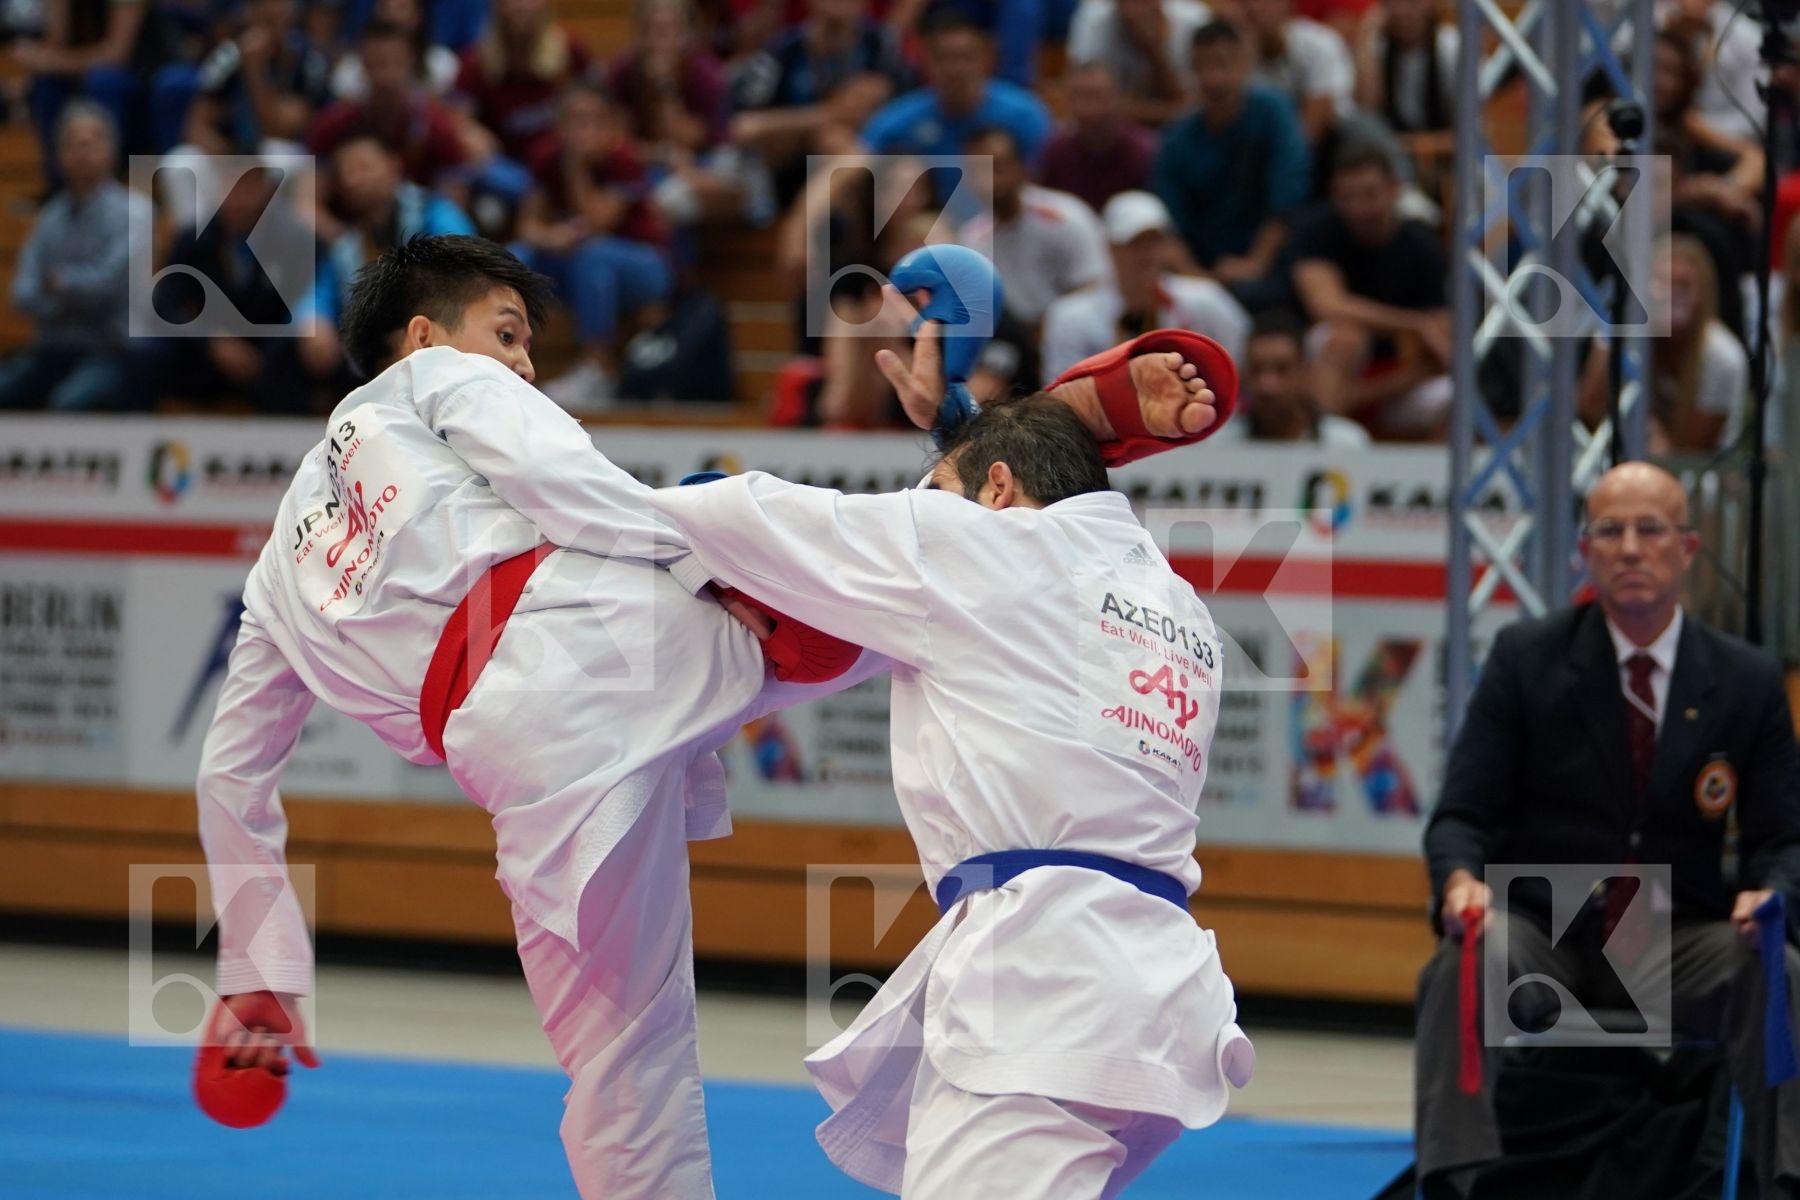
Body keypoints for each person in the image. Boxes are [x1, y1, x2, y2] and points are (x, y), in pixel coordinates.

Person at [194, 233, 1224, 1199]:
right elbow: (578, 489)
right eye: (507, 333)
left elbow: (232, 775)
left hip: (518, 767)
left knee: (621, 1055)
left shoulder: (274, 583)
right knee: (902, 587)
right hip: (598, 637)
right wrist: (700, 547)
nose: (524, 368)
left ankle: (1005, 452)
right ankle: (1021, 447)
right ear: (421, 335)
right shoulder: (429, 377)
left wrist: (259, 968)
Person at [642, 327, 1254, 1200]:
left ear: (996, 491)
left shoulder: (982, 547)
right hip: (1155, 984)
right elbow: (1019, 554)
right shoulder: (1176, 601)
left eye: (934, 491)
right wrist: (968, 430)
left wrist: (565, 503)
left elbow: (741, 510)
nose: (919, 506)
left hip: (1049, 982)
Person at [1417, 461, 1800, 1199]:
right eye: (1610, 531)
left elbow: (1783, 839)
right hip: (1544, 930)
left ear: (1687, 548)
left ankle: (1782, 1181)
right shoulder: (1527, 657)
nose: (1630, 548)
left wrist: (1770, 896)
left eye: (1650, 530)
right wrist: (1460, 882)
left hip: (1670, 936)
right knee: (1469, 953)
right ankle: (1451, 1183)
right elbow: (1462, 814)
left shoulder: (1747, 680)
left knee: (1776, 969)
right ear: (1585, 550)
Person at [512, 82, 677, 410]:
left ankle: (597, 368)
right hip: (572, 255)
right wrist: (551, 238)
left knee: (592, 256)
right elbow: (527, 224)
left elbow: (596, 221)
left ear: (609, 126)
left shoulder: (624, 159)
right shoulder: (546, 156)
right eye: (572, 120)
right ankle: (503, 358)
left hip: (645, 263)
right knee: (512, 258)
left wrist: (575, 165)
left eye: (589, 121)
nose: (580, 130)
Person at [1290, 140, 1449, 437]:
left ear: (1394, 190)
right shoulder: (1317, 231)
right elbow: (1326, 306)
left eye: (1369, 195)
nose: (1358, 209)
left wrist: (1361, 393)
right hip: (1324, 363)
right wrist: (1414, 323)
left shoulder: (1422, 246)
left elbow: (1442, 336)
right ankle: (1319, 443)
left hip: (1394, 379)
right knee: (1346, 337)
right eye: (1347, 197)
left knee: (1453, 394)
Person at [0, 101, 151, 412]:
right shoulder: (49, 218)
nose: (82, 151)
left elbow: (108, 287)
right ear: (59, 156)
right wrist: (67, 292)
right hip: (51, 350)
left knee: (68, 403)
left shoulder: (135, 213)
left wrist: (58, 287)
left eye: (92, 142)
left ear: (111, 152)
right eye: (73, 143)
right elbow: (22, 293)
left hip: (111, 351)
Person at [1151, 20, 1310, 292]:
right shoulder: (1178, 137)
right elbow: (1169, 221)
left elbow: (1288, 198)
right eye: (1204, 66)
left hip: (1272, 267)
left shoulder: (1272, 112)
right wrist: (1196, 277)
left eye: (1224, 63)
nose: (1215, 78)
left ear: (1245, 63)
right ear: (1192, 70)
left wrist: (1255, 263)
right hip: (1200, 276)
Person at [1040, 189, 1248, 379]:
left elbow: (1243, 359)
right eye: (1135, 243)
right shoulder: (1070, 316)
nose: (1147, 253)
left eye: (1154, 241)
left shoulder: (1206, 299)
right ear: (1110, 248)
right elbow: (1060, 393)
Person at [955, 125, 1111, 327]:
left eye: (998, 167)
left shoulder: (1065, 217)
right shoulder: (972, 239)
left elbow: (1095, 284)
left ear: (1021, 168)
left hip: (1074, 332)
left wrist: (1053, 325)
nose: (991, 180)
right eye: (978, 171)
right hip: (1012, 341)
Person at [1211, 308, 1370, 445]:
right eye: (1256, 370)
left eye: (1282, 370)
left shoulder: (1346, 443)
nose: (1267, 385)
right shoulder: (1220, 444)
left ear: (1306, 372)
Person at [1067, 0, 1213, 126]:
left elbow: (1201, 109)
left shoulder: (1196, 22)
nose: (1135, 9)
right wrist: (1171, 112)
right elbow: (1086, 104)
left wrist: (1153, 50)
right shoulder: (1093, 21)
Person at [1038, 63, 1159, 214]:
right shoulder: (1055, 153)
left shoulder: (1145, 153)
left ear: (1118, 99)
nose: (1087, 110)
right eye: (1078, 97)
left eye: (1096, 97)